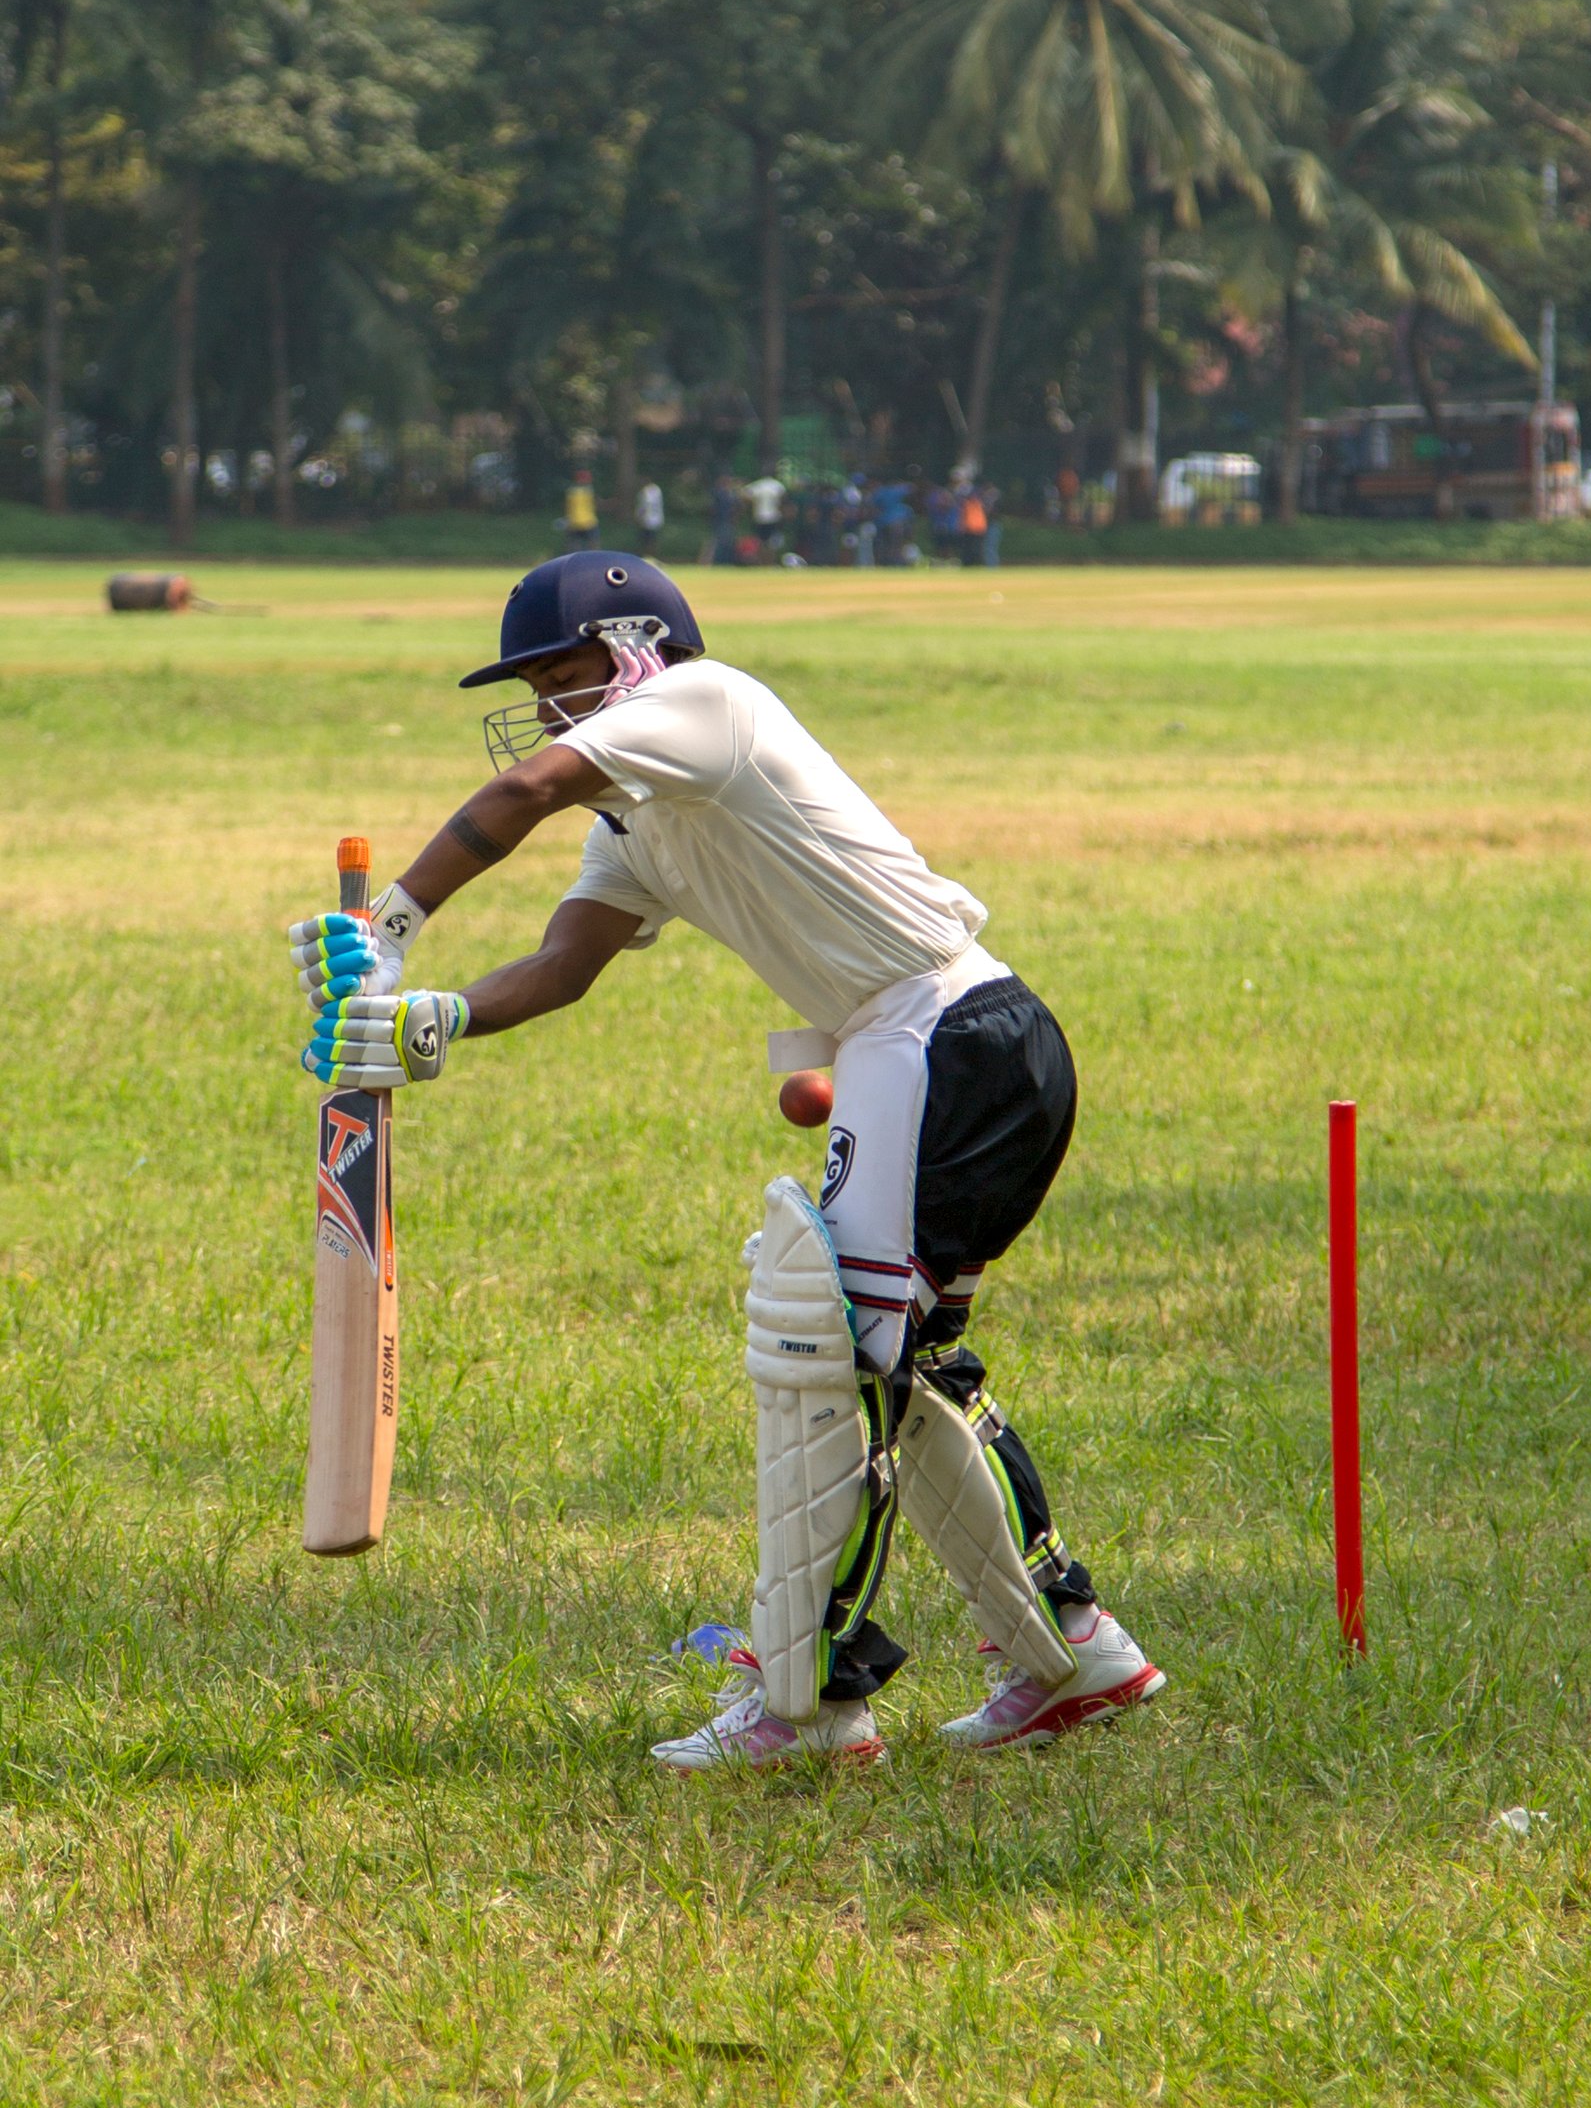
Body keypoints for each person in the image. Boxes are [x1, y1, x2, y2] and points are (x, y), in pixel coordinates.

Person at [286, 550, 1162, 1765]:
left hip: (942, 1034)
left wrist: (387, 923)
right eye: (535, 691)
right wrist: (428, 1017)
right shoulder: (639, 821)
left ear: (643, 645)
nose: (552, 712)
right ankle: (1072, 1653)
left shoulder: (708, 704)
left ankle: (814, 1697)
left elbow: (522, 792)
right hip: (916, 1048)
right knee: (892, 1369)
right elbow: (561, 966)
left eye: (568, 676)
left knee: (832, 1352)